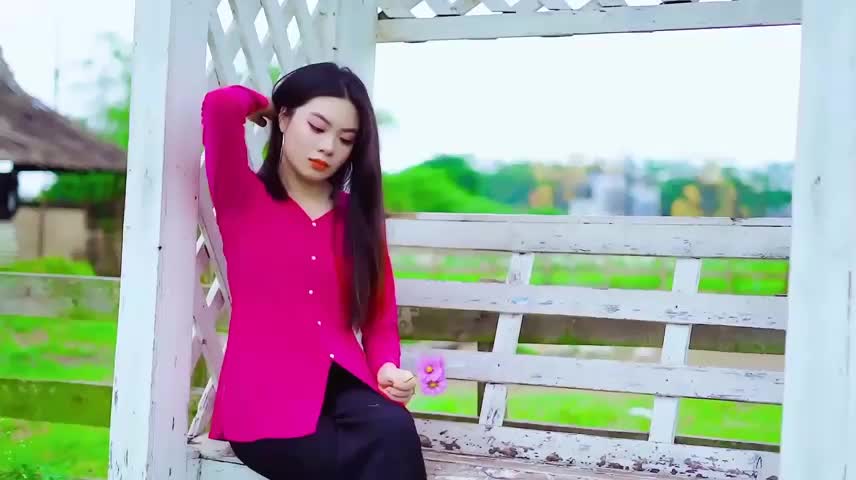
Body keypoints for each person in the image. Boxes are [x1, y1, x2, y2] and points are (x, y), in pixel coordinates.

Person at [200, 62, 427, 479]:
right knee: (342, 457)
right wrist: (267, 105)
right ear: (285, 118)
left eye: (345, 139)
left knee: (394, 430)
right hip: (262, 402)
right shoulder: (242, 197)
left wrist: (387, 367)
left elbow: (379, 318)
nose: (328, 147)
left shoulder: (356, 217)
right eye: (317, 127)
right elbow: (220, 105)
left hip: (347, 388)